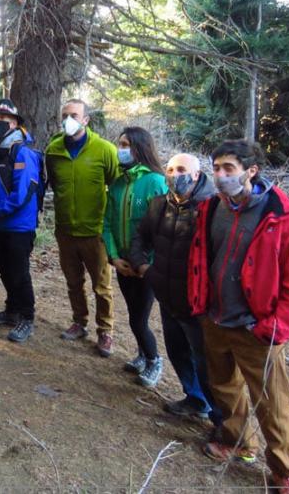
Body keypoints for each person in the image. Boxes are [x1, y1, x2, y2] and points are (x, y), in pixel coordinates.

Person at [188, 140, 289, 492]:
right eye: (216, 168)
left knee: (273, 405)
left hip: (257, 328)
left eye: (228, 168)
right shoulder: (213, 207)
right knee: (225, 388)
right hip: (215, 318)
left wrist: (275, 328)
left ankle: (284, 471)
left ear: (251, 171)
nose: (220, 175)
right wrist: (200, 303)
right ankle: (237, 441)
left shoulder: (281, 215)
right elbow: (202, 257)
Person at [129, 153, 219, 421]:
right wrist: (141, 265)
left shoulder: (212, 208)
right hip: (167, 295)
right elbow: (140, 236)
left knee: (206, 362)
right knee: (177, 352)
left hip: (198, 302)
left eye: (181, 169)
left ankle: (221, 421)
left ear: (195, 174)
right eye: (169, 169)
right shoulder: (159, 205)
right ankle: (195, 399)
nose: (173, 174)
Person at [45, 99, 118, 356]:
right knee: (73, 282)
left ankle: (105, 331)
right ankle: (79, 322)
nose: (69, 119)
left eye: (74, 115)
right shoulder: (53, 151)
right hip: (65, 230)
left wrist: (111, 229)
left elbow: (116, 184)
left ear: (86, 119)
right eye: (65, 115)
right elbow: (53, 183)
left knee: (102, 286)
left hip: (95, 231)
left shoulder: (104, 150)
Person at [102, 127, 168, 386]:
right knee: (132, 313)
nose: (121, 150)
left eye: (126, 144)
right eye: (120, 144)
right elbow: (107, 223)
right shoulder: (118, 183)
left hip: (145, 267)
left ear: (139, 148)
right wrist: (114, 257)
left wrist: (146, 264)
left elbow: (161, 228)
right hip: (122, 264)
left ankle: (154, 360)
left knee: (139, 319)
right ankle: (142, 354)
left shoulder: (155, 181)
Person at [0, 99, 41, 343]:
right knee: (5, 269)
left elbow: (23, 193)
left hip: (18, 225)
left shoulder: (22, 151)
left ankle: (27, 317)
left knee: (19, 272)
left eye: (4, 120)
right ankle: (12, 309)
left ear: (15, 123)